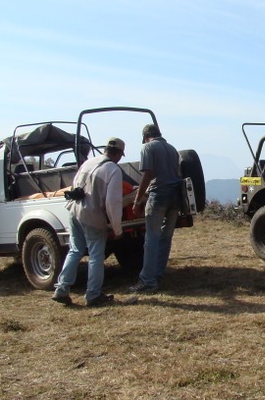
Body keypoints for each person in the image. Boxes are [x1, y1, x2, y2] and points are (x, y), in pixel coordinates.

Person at [52, 138, 126, 307]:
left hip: (74, 211)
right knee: (96, 256)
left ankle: (62, 289)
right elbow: (113, 203)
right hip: (92, 216)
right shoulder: (113, 169)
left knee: (75, 250)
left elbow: (75, 186)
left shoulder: (88, 162)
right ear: (118, 154)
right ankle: (93, 295)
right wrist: (117, 229)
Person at [129, 124, 182, 294]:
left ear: (146, 137)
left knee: (151, 238)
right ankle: (157, 275)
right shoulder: (172, 149)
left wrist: (137, 200)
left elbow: (148, 174)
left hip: (158, 195)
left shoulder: (148, 147)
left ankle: (147, 281)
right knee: (165, 237)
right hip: (175, 196)